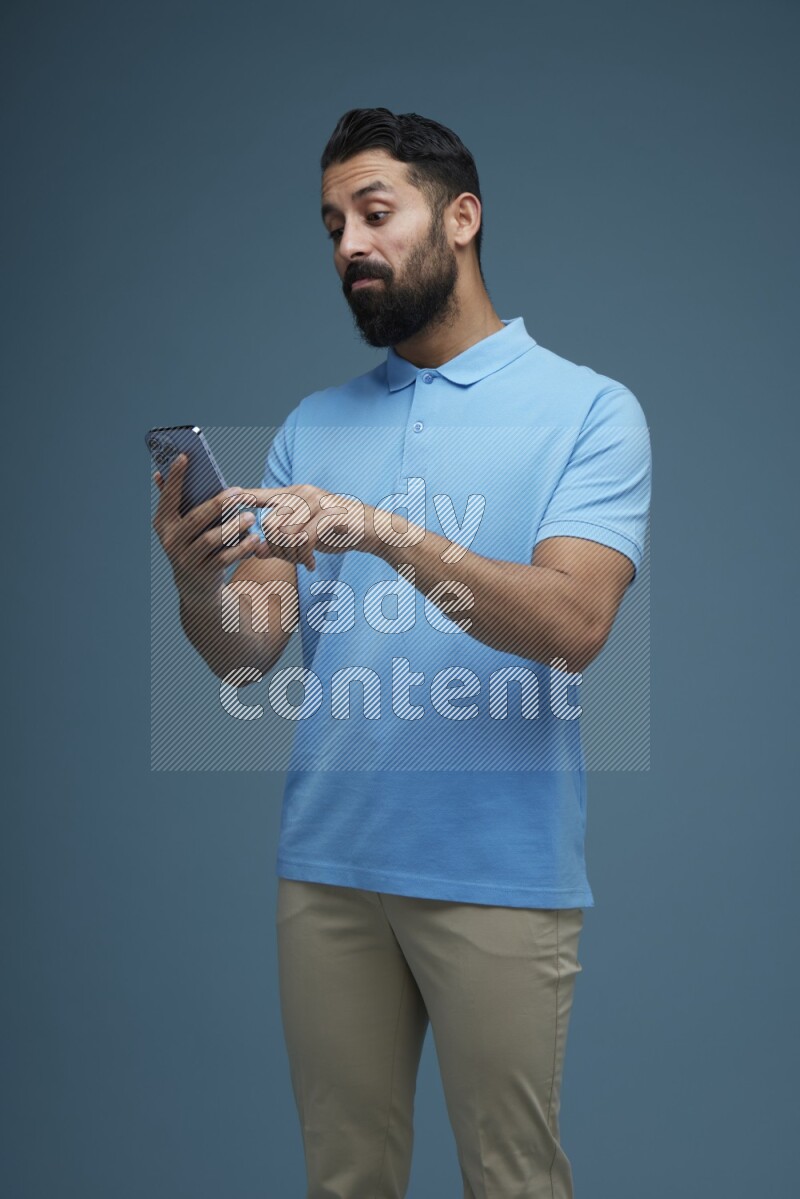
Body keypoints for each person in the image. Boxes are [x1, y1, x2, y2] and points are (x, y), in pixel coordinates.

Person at [152, 107, 652, 1198]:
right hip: (326, 867)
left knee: (512, 1181)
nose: (348, 246)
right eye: (331, 223)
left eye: (374, 212)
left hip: (498, 872)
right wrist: (196, 579)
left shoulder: (588, 412)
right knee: (343, 1180)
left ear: (460, 218)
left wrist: (377, 527)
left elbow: (572, 625)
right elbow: (248, 653)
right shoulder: (311, 422)